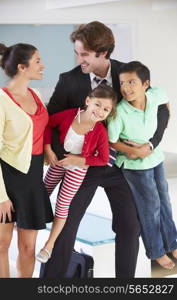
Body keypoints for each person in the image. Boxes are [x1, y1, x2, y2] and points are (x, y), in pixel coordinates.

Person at [40, 21, 169, 278]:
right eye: (77, 53)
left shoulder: (129, 73)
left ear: (103, 53)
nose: (79, 60)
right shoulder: (69, 80)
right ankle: (50, 284)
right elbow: (51, 120)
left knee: (130, 227)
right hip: (82, 168)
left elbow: (161, 108)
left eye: (85, 54)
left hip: (121, 166)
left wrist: (150, 144)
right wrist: (60, 153)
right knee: (65, 226)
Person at [108, 61, 177, 270]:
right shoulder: (119, 112)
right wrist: (134, 151)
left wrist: (150, 144)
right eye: (122, 83)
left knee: (165, 201)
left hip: (155, 159)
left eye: (132, 82)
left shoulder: (154, 95)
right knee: (151, 207)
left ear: (146, 84)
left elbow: (166, 105)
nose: (126, 88)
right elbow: (112, 141)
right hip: (134, 166)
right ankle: (156, 251)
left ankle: (172, 243)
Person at [36, 85, 117, 263]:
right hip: (59, 161)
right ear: (88, 101)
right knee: (43, 191)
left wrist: (80, 161)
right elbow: (49, 124)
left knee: (63, 204)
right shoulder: (70, 115)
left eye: (106, 109)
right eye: (97, 105)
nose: (100, 111)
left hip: (77, 170)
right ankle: (28, 223)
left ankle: (48, 246)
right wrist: (48, 148)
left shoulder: (100, 132)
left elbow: (104, 159)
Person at [0, 43, 53, 278]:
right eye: (37, 61)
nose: (43, 65)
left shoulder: (36, 95)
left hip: (32, 177)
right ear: (21, 67)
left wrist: (47, 151)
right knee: (0, 244)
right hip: (6, 178)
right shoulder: (0, 102)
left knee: (28, 248)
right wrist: (1, 196)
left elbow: (40, 130)